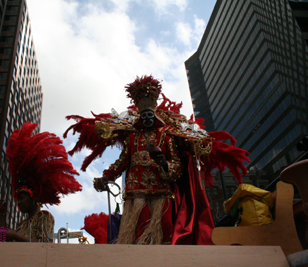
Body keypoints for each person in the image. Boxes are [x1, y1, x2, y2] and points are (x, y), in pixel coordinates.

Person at [65, 75, 250, 245]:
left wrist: (163, 163)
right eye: (143, 116)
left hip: (161, 191)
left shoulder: (167, 137)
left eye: (149, 116)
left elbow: (177, 166)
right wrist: (106, 177)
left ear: (155, 116)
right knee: (136, 233)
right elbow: (122, 162)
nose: (146, 119)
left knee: (164, 232)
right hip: (135, 191)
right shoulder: (132, 138)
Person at [0, 122, 82, 242]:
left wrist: (15, 236)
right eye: (19, 199)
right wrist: (2, 215)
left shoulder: (44, 217)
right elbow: (3, 240)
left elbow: (44, 244)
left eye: (22, 198)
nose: (19, 202)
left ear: (33, 198)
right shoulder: (22, 224)